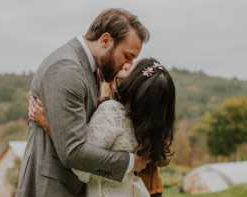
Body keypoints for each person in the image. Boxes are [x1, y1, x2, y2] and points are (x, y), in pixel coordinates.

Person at [16, 8, 150, 197]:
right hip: (52, 188)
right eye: (127, 56)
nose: (127, 64)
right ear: (105, 41)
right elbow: (73, 151)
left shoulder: (90, 69)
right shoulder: (67, 70)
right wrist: (130, 162)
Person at [29, 58, 175, 197]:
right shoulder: (149, 124)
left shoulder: (112, 112)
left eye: (132, 67)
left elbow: (81, 168)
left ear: (135, 82)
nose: (126, 64)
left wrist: (51, 127)